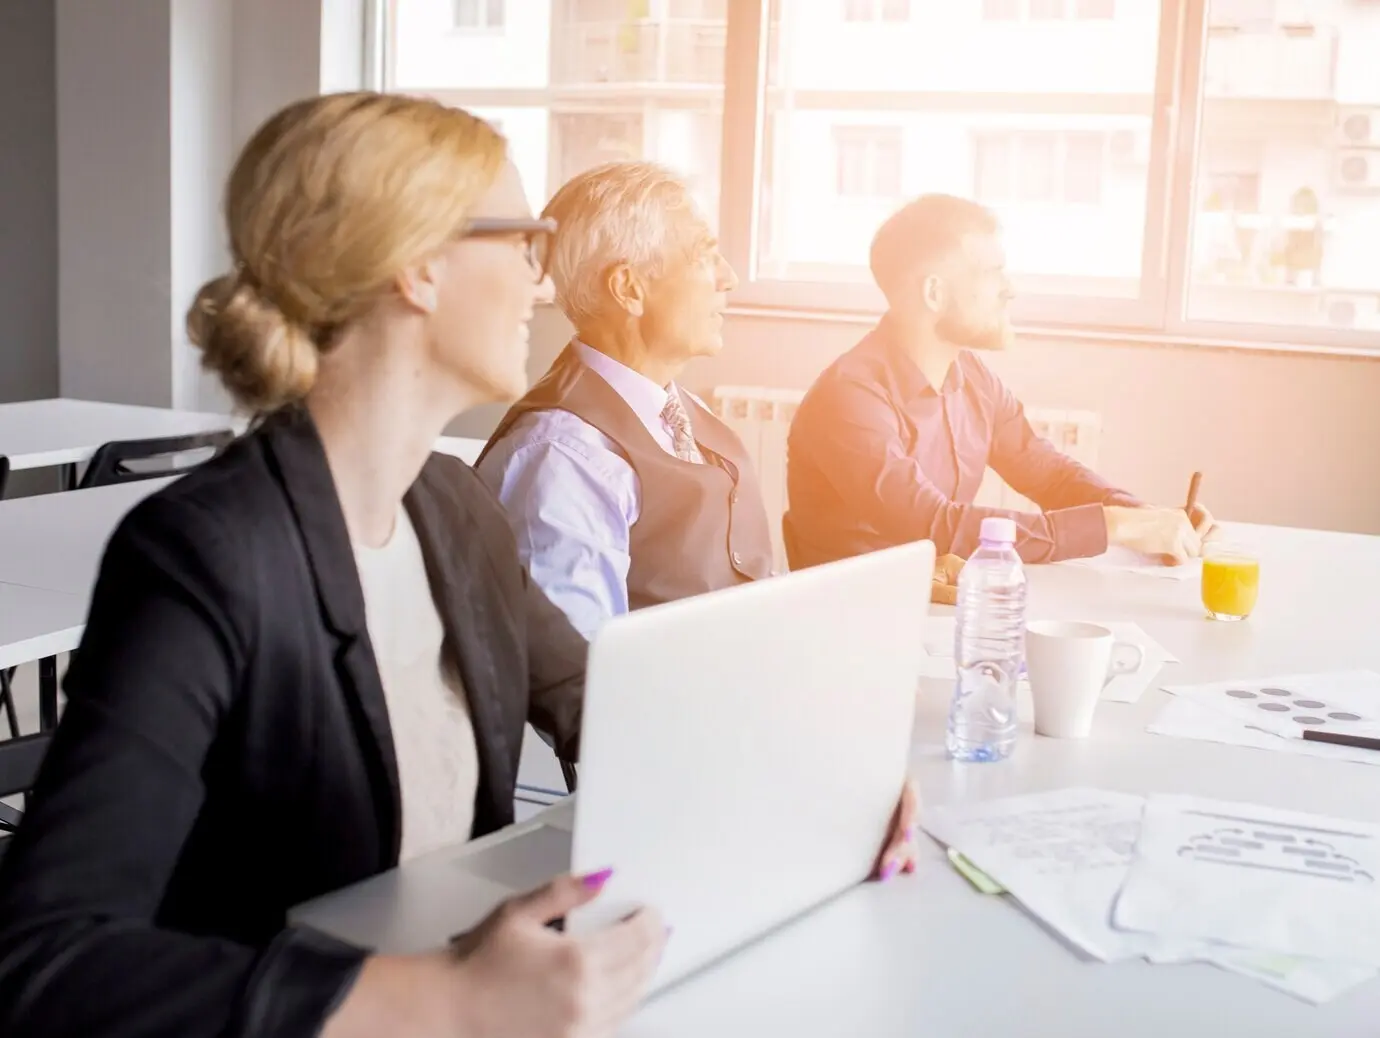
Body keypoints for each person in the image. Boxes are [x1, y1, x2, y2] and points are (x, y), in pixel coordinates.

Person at [0, 95, 917, 1038]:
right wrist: (444, 1003)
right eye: (526, 240)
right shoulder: (206, 557)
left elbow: (625, 706)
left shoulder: (456, 510)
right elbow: (47, 955)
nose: (545, 279)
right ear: (418, 267)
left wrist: (819, 786)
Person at [477, 161, 963, 631]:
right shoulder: (563, 457)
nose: (728, 277)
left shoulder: (684, 412)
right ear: (628, 288)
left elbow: (748, 589)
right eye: (705, 256)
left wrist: (885, 589)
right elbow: (583, 683)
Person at [784, 194, 1213, 570]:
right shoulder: (849, 399)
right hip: (854, 623)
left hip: (934, 606)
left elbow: (1049, 476)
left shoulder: (972, 377)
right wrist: (1113, 526)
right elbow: (936, 526)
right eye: (992, 272)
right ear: (934, 293)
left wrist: (1146, 516)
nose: (1010, 290)